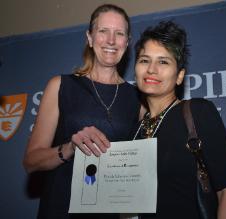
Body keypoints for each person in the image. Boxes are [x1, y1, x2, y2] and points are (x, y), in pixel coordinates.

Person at [23, 4, 141, 219]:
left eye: (119, 33)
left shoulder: (137, 99)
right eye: (103, 31)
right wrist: (68, 149)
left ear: (127, 42)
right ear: (89, 37)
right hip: (59, 209)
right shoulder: (60, 86)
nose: (111, 40)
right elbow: (31, 161)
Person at [132, 20, 226, 218]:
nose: (151, 69)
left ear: (180, 76)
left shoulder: (198, 112)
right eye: (144, 60)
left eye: (163, 61)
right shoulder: (134, 130)